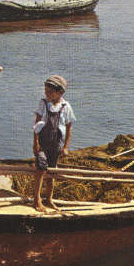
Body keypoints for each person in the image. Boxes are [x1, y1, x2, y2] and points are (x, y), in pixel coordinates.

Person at [32, 75, 76, 212]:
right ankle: (37, 200)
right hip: (42, 143)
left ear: (60, 92)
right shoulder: (43, 103)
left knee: (52, 172)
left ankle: (49, 199)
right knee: (41, 169)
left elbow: (69, 127)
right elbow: (37, 124)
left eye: (50, 92)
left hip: (56, 144)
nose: (47, 94)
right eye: (46, 91)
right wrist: (35, 143)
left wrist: (66, 147)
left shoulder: (66, 107)